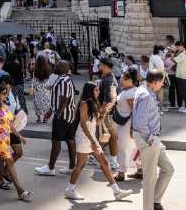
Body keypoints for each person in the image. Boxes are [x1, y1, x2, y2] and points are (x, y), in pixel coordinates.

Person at [64, 81, 133, 202]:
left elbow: (98, 122)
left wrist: (106, 110)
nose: (98, 92)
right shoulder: (84, 104)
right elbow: (83, 124)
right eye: (96, 90)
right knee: (80, 165)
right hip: (84, 137)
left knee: (104, 163)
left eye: (98, 90)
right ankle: (70, 189)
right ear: (90, 91)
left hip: (90, 137)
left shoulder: (93, 103)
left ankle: (116, 191)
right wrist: (92, 141)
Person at [131, 70, 175, 210]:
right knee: (150, 179)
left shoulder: (144, 90)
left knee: (168, 169)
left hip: (152, 138)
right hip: (148, 138)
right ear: (155, 82)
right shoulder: (146, 96)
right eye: (161, 82)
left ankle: (155, 201)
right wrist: (150, 140)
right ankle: (149, 207)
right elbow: (140, 122)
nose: (162, 85)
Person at [0, 85, 32, 201]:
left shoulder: (4, 106)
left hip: (5, 141)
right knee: (7, 162)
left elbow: (11, 125)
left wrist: (20, 136)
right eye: (3, 93)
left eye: (6, 93)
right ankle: (20, 190)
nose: (5, 95)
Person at [35, 60, 76, 176]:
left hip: (63, 116)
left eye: (58, 65)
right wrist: (51, 111)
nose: (55, 67)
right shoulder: (64, 79)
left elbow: (64, 98)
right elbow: (58, 98)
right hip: (69, 115)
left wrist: (57, 113)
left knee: (56, 141)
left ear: (62, 68)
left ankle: (50, 167)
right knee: (70, 140)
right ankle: (72, 166)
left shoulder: (63, 80)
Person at [114, 67, 140, 181]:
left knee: (124, 147)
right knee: (132, 147)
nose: (121, 80)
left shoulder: (131, 93)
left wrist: (132, 128)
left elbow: (135, 111)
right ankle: (140, 169)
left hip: (127, 123)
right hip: (125, 123)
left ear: (130, 81)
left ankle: (121, 172)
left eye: (123, 78)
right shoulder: (127, 91)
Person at [173, 41, 186, 113]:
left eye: (177, 47)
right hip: (184, 75)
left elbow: (174, 60)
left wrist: (173, 53)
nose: (177, 48)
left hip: (182, 76)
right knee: (184, 92)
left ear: (181, 46)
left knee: (184, 92)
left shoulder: (183, 54)